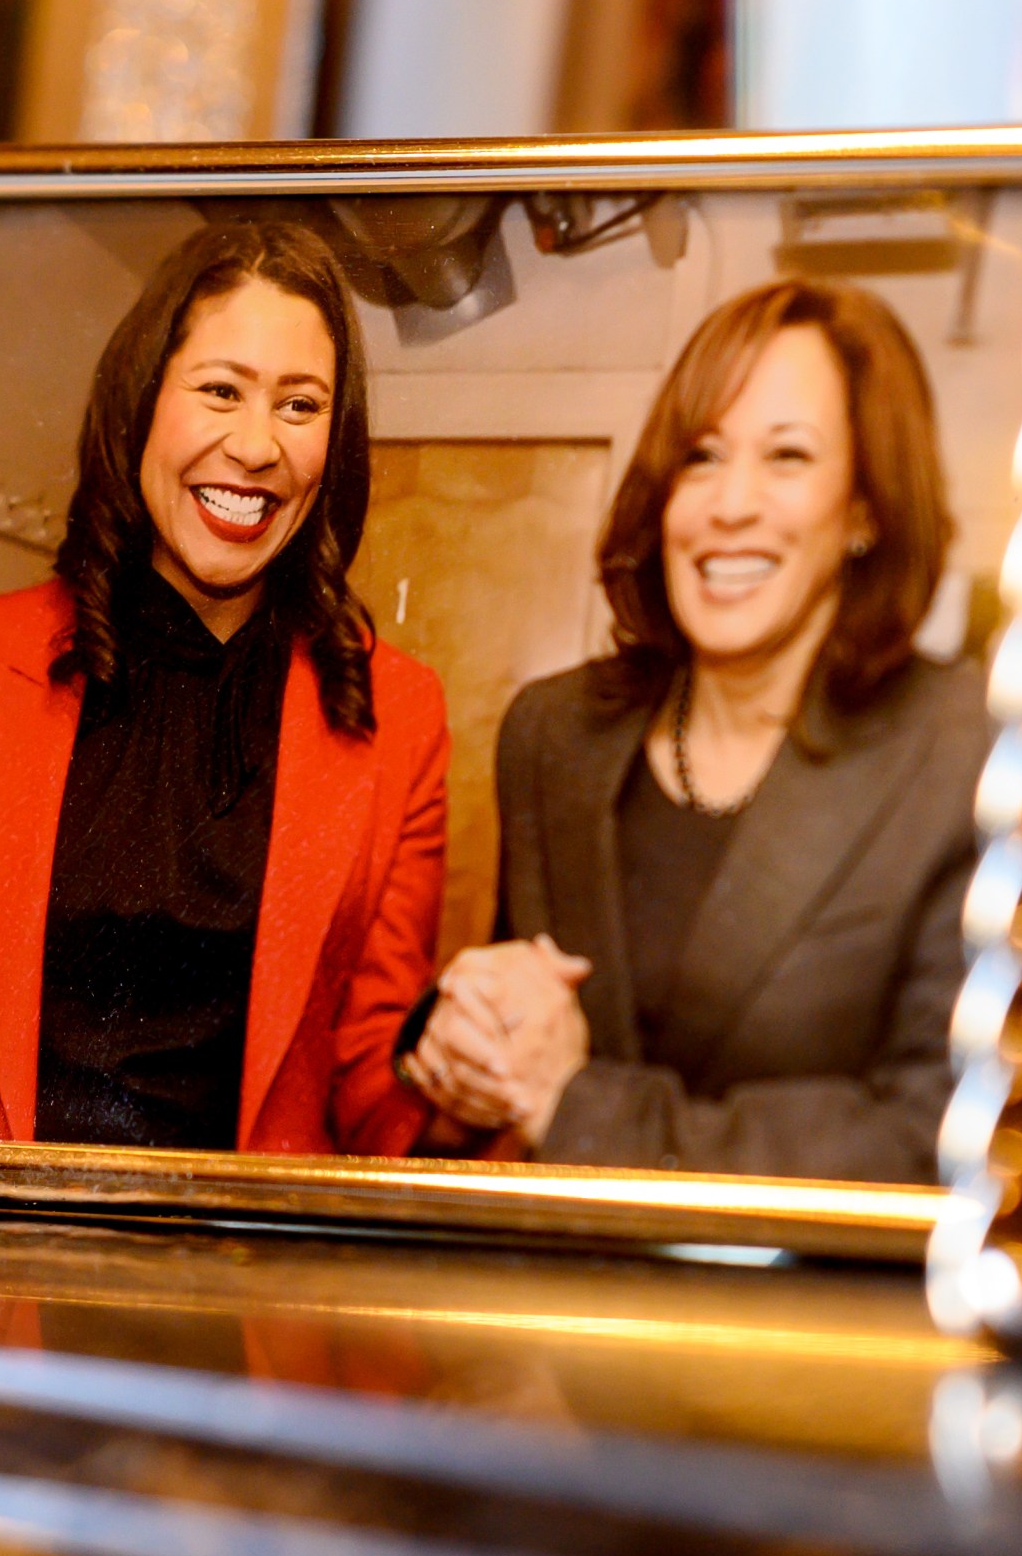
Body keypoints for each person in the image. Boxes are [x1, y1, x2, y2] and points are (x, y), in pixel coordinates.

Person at [0, 220, 452, 1156]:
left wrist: (459, 1082)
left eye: (300, 407)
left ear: (333, 446)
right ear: (142, 401)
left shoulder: (399, 717)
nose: (257, 446)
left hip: (235, 1287)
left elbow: (374, 1092)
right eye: (220, 390)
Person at [396, 277, 989, 1181]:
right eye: (702, 456)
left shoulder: (964, 750)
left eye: (787, 457)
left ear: (864, 510)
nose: (730, 505)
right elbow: (530, 1026)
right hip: (563, 1302)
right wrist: (463, 1032)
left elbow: (935, 1136)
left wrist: (580, 1107)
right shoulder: (554, 736)